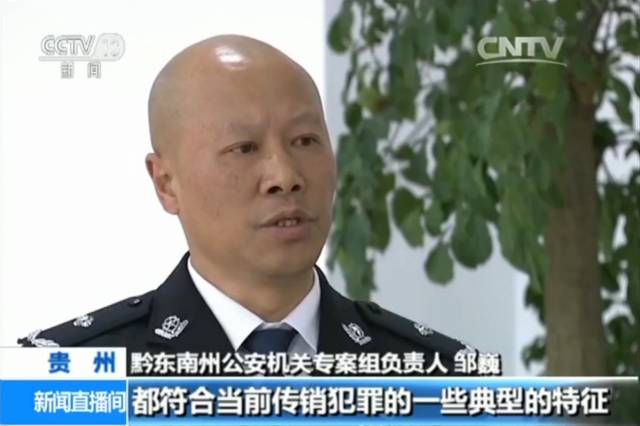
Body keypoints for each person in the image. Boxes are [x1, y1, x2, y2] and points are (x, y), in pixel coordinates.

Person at [18, 35, 474, 373]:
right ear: (166, 183)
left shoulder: (439, 377)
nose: (285, 177)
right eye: (244, 148)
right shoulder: (65, 378)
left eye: (305, 140)